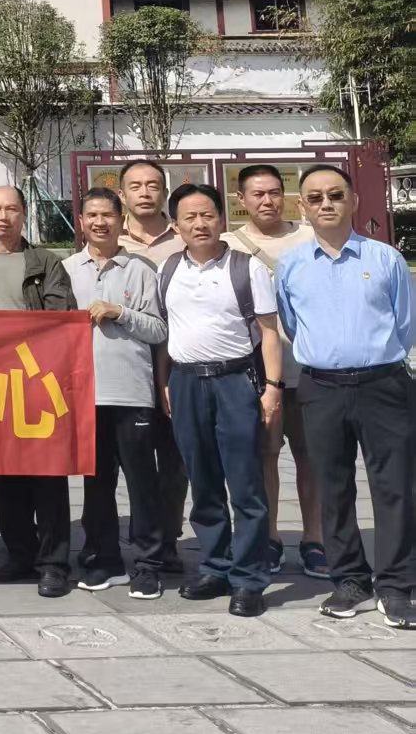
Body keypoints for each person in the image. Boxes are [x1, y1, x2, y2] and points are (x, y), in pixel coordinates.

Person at [277, 164, 415, 628]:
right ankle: (351, 580)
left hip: (383, 385)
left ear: (353, 201)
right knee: (332, 487)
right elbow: (291, 324)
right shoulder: (291, 266)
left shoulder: (385, 259)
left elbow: (405, 325)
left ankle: (397, 585)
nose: (326, 204)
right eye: (315, 197)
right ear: (303, 207)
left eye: (336, 195)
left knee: (395, 487)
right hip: (322, 387)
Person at [157, 182, 281, 618]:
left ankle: (249, 579)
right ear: (176, 225)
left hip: (235, 381)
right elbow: (167, 332)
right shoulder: (168, 269)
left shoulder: (247, 268)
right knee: (203, 482)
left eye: (207, 215)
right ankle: (216, 568)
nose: (200, 224)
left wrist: (272, 388)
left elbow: (269, 332)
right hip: (187, 382)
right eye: (189, 217)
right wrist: (165, 382)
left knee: (246, 485)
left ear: (222, 219)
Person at [0, 186, 77, 598]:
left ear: (24, 214)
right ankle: (19, 554)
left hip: (37, 378)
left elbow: (60, 314)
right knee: (6, 472)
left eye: (11, 209)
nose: (3, 216)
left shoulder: (45, 261)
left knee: (47, 475)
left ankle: (53, 563)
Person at [63, 188, 168, 600]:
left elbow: (158, 330)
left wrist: (119, 312)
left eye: (107, 214)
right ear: (81, 221)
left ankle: (148, 564)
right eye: (91, 215)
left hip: (131, 393)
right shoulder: (67, 269)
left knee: (142, 484)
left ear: (121, 220)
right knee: (96, 484)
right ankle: (103, 559)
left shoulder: (140, 269)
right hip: (84, 395)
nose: (99, 222)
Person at [227, 164, 322, 579]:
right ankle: (269, 537)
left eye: (274, 192)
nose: (267, 201)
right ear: (241, 200)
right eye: (257, 194)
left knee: (310, 456)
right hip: (256, 372)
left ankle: (315, 538)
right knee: (264, 455)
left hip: (310, 367)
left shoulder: (310, 236)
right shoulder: (228, 244)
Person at [115, 159, 189, 572]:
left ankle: (169, 539)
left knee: (175, 462)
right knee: (132, 463)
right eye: (135, 185)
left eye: (153, 185)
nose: (145, 192)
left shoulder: (182, 239)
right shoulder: (110, 238)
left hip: (177, 365)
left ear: (164, 191)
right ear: (122, 194)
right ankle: (141, 536)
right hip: (127, 370)